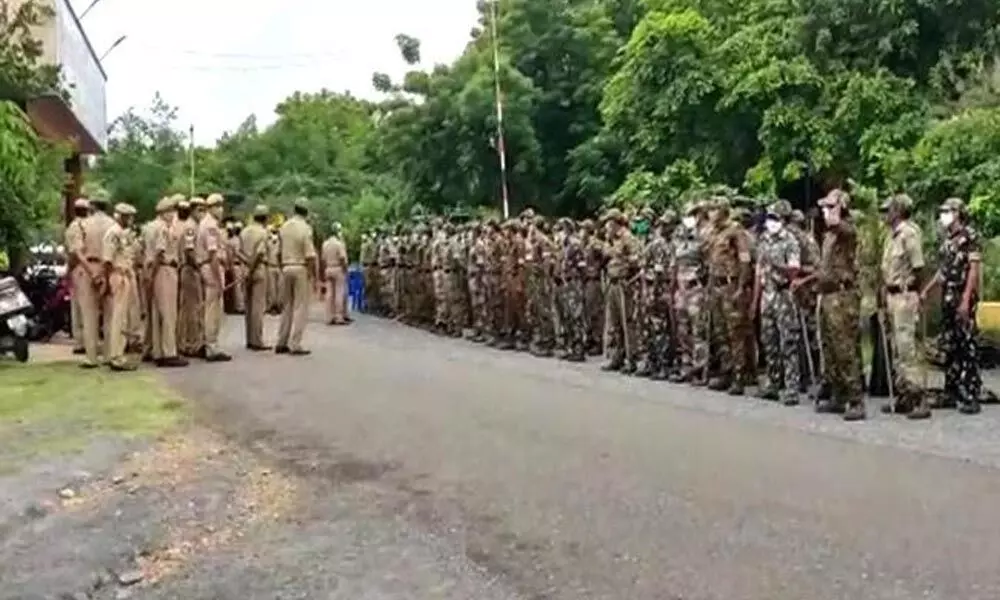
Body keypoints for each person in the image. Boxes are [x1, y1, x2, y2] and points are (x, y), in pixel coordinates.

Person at [795, 189, 865, 421]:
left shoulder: (847, 230)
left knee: (844, 349)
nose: (825, 211)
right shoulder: (829, 236)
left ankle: (856, 399)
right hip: (826, 297)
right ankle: (837, 395)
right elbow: (824, 269)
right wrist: (806, 281)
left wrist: (837, 211)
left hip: (843, 298)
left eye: (829, 207)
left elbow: (844, 228)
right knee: (829, 349)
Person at [921, 197, 982, 415]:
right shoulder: (948, 240)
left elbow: (974, 270)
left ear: (957, 213)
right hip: (947, 295)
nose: (943, 215)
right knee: (950, 344)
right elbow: (943, 271)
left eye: (947, 211)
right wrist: (927, 290)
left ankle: (971, 393)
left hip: (961, 294)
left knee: (967, 344)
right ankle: (952, 390)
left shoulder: (970, 237)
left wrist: (966, 299)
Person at [879, 194, 930, 419]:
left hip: (905, 295)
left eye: (888, 210)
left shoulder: (909, 233)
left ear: (898, 211)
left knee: (908, 348)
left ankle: (919, 398)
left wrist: (915, 295)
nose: (884, 214)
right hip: (892, 296)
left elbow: (918, 268)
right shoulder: (891, 236)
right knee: (896, 349)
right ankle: (904, 395)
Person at [754, 200, 802, 405]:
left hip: (783, 295)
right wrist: (756, 301)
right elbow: (758, 271)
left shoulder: (789, 241)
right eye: (769, 218)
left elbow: (794, 270)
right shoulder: (763, 240)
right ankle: (773, 383)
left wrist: (778, 266)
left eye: (775, 218)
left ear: (783, 220)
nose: (770, 222)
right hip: (767, 295)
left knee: (788, 343)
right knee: (769, 341)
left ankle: (792, 387)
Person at [602, 209, 642, 373]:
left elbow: (637, 260)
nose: (606, 226)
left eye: (609, 222)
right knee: (614, 322)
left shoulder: (628, 238)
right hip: (612, 282)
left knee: (628, 322)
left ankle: (631, 359)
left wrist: (628, 275)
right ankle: (616, 356)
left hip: (624, 283)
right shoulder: (610, 240)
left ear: (615, 222)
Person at [275, 197, 318, 355]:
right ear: (306, 211)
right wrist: (312, 275)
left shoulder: (284, 227)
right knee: (300, 307)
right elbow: (310, 255)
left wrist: (283, 266)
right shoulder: (305, 228)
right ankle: (295, 343)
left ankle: (281, 341)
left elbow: (278, 252)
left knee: (287, 306)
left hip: (286, 267)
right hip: (300, 267)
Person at [150, 196, 188, 367]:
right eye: (171, 211)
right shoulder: (163, 229)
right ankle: (169, 352)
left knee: (157, 312)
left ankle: (158, 351)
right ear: (164, 212)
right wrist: (153, 273)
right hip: (165, 269)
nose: (173, 215)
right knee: (168, 313)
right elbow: (159, 253)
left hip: (155, 270)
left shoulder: (149, 227)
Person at [100, 203, 138, 371]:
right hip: (118, 275)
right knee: (118, 318)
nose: (130, 220)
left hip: (124, 274)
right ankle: (116, 356)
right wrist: (107, 281)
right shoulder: (114, 233)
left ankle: (115, 353)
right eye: (128, 217)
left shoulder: (122, 233)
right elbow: (107, 260)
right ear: (121, 216)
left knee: (121, 317)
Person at [196, 193, 231, 361]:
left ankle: (210, 343)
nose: (221, 209)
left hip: (210, 267)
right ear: (211, 208)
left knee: (212, 308)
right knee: (213, 309)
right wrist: (218, 278)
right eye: (218, 205)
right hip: (211, 268)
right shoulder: (210, 225)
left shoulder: (208, 223)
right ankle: (212, 346)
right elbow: (213, 253)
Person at [241, 205, 271, 350]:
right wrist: (252, 269)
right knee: (258, 307)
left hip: (244, 268)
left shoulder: (244, 231)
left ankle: (249, 339)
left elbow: (237, 251)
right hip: (258, 269)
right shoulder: (263, 233)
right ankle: (257, 341)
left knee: (248, 306)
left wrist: (246, 266)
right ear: (265, 218)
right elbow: (259, 254)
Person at [64, 198, 89, 355]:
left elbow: (74, 252)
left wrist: (69, 270)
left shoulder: (74, 227)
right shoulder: (91, 225)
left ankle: (81, 342)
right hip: (94, 267)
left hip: (80, 269)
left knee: (79, 307)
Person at [321, 222, 349, 325]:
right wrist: (345, 269)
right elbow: (342, 258)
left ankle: (329, 316)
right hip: (338, 268)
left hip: (328, 268)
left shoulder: (325, 244)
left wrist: (325, 269)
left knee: (329, 294)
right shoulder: (339, 244)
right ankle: (339, 316)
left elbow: (323, 259)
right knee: (339, 293)